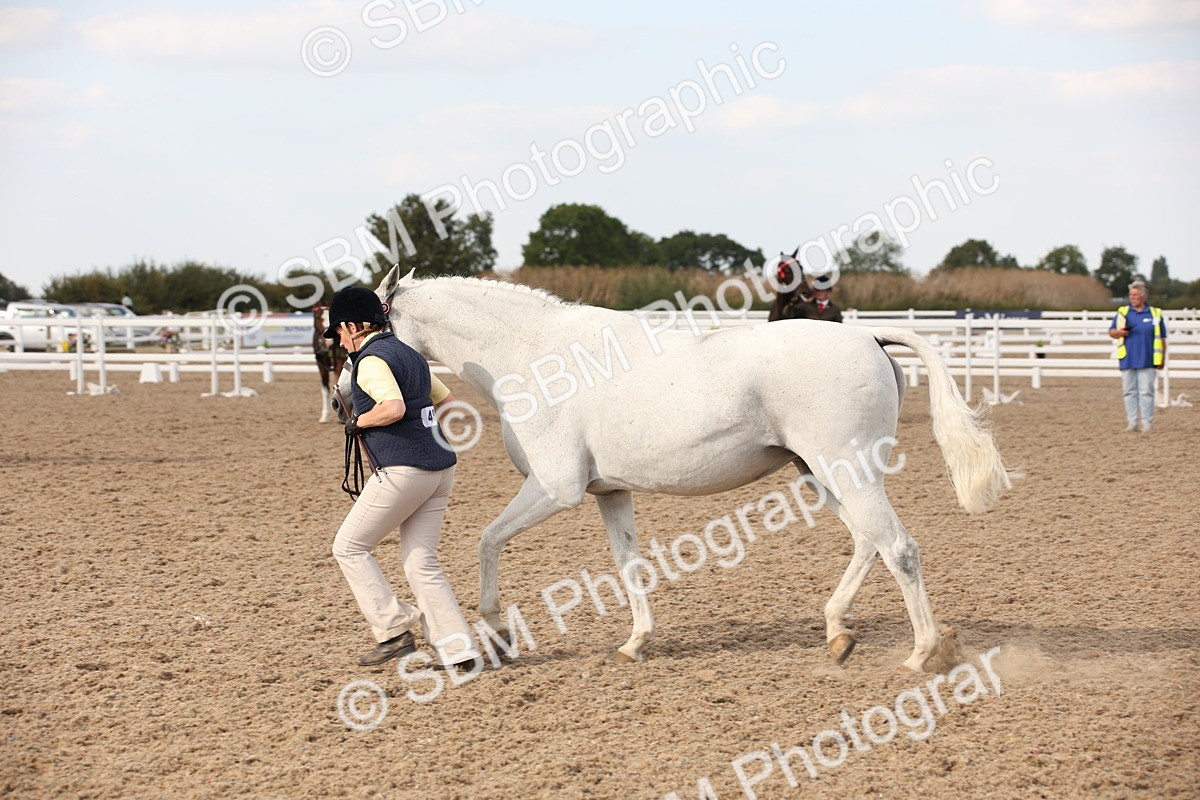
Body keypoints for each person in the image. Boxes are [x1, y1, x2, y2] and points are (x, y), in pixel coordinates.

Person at [324, 286, 481, 670]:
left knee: (349, 547)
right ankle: (459, 651)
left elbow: (391, 408)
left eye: (340, 333)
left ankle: (394, 631)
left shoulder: (371, 360)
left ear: (353, 326)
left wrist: (358, 421)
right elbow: (446, 402)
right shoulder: (410, 354)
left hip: (403, 470)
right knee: (420, 561)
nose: (340, 342)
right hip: (440, 468)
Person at [1108, 280, 1167, 433]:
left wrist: (1162, 358)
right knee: (1129, 391)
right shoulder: (1123, 313)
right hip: (1128, 358)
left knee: (1146, 392)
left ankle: (1147, 423)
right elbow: (1112, 332)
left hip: (1148, 358)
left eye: (1135, 295)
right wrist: (1119, 333)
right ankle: (1132, 422)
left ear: (1144, 295)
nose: (1132, 298)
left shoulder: (1155, 314)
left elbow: (1162, 338)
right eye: (1131, 295)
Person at [770, 268, 843, 323]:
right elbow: (787, 314)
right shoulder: (805, 306)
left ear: (828, 291)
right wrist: (792, 302)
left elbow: (840, 328)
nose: (820, 292)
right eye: (817, 290)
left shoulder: (835, 309)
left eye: (822, 290)